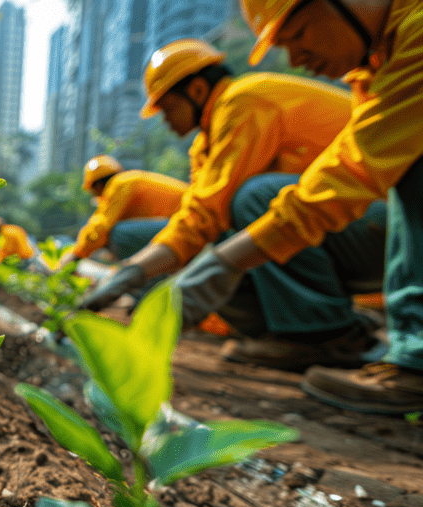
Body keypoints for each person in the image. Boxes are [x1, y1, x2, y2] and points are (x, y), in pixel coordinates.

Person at [167, 0, 423, 413]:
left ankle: (411, 360)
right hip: (377, 232)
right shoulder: (377, 65)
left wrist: (223, 263)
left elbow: (352, 175)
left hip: (378, 224)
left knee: (257, 198)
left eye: (300, 34)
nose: (296, 58)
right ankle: (308, 335)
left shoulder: (416, 36)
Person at [80, 38, 388, 372]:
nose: (166, 121)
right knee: (225, 232)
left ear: (197, 90)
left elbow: (207, 215)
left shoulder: (244, 102)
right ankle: (287, 334)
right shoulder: (206, 144)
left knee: (255, 198)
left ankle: (322, 334)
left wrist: (133, 274)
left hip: (388, 221)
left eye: (168, 108)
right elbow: (199, 220)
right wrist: (131, 274)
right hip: (339, 232)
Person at [57, 155, 188, 270]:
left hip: (188, 223)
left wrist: (76, 255)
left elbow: (101, 226)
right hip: (182, 221)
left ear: (97, 186)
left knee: (118, 234)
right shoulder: (127, 183)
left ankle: (143, 284)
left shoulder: (120, 184)